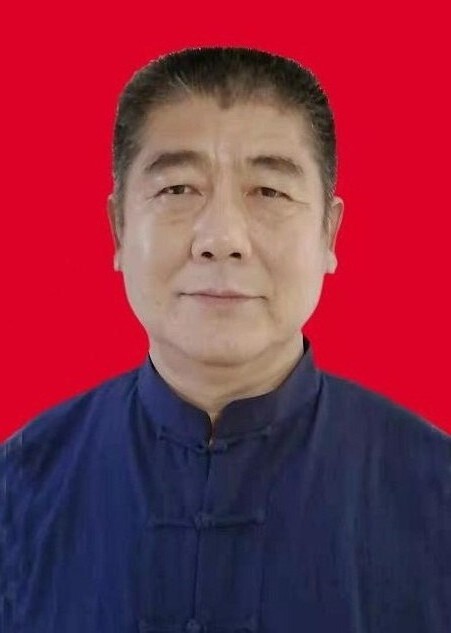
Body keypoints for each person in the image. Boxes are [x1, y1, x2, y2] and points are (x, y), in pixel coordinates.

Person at [1, 47, 450, 633]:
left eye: (269, 191)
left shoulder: (435, 490)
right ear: (118, 229)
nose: (221, 238)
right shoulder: (21, 486)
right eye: (177, 189)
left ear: (329, 233)